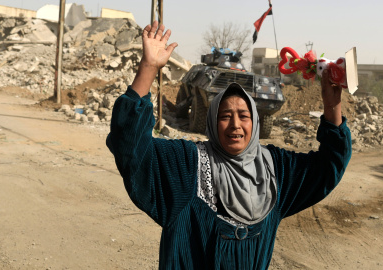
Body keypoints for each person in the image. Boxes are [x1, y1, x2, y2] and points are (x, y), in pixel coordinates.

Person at [107, 21, 352, 269]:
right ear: (212, 122)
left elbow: (328, 166)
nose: (235, 124)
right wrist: (148, 68)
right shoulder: (186, 166)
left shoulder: (276, 171)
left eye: (244, 116)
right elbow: (131, 147)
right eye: (225, 116)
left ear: (255, 122)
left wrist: (332, 107)